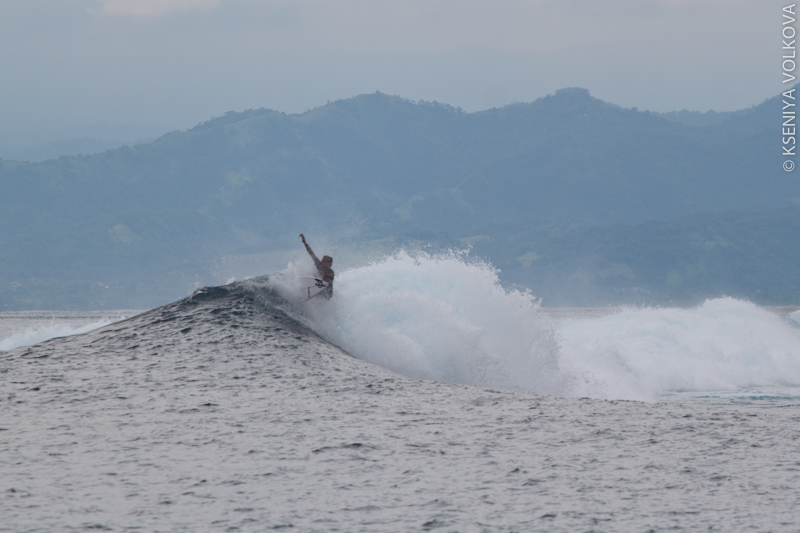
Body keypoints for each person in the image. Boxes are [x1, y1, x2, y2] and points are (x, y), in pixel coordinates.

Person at [300, 234, 334, 298]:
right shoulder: (318, 264)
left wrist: (325, 275)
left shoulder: (330, 271)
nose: (326, 264)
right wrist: (304, 242)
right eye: (325, 262)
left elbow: (332, 276)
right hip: (317, 291)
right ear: (322, 261)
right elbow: (311, 253)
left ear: (330, 265)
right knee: (313, 274)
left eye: (328, 263)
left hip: (327, 294)